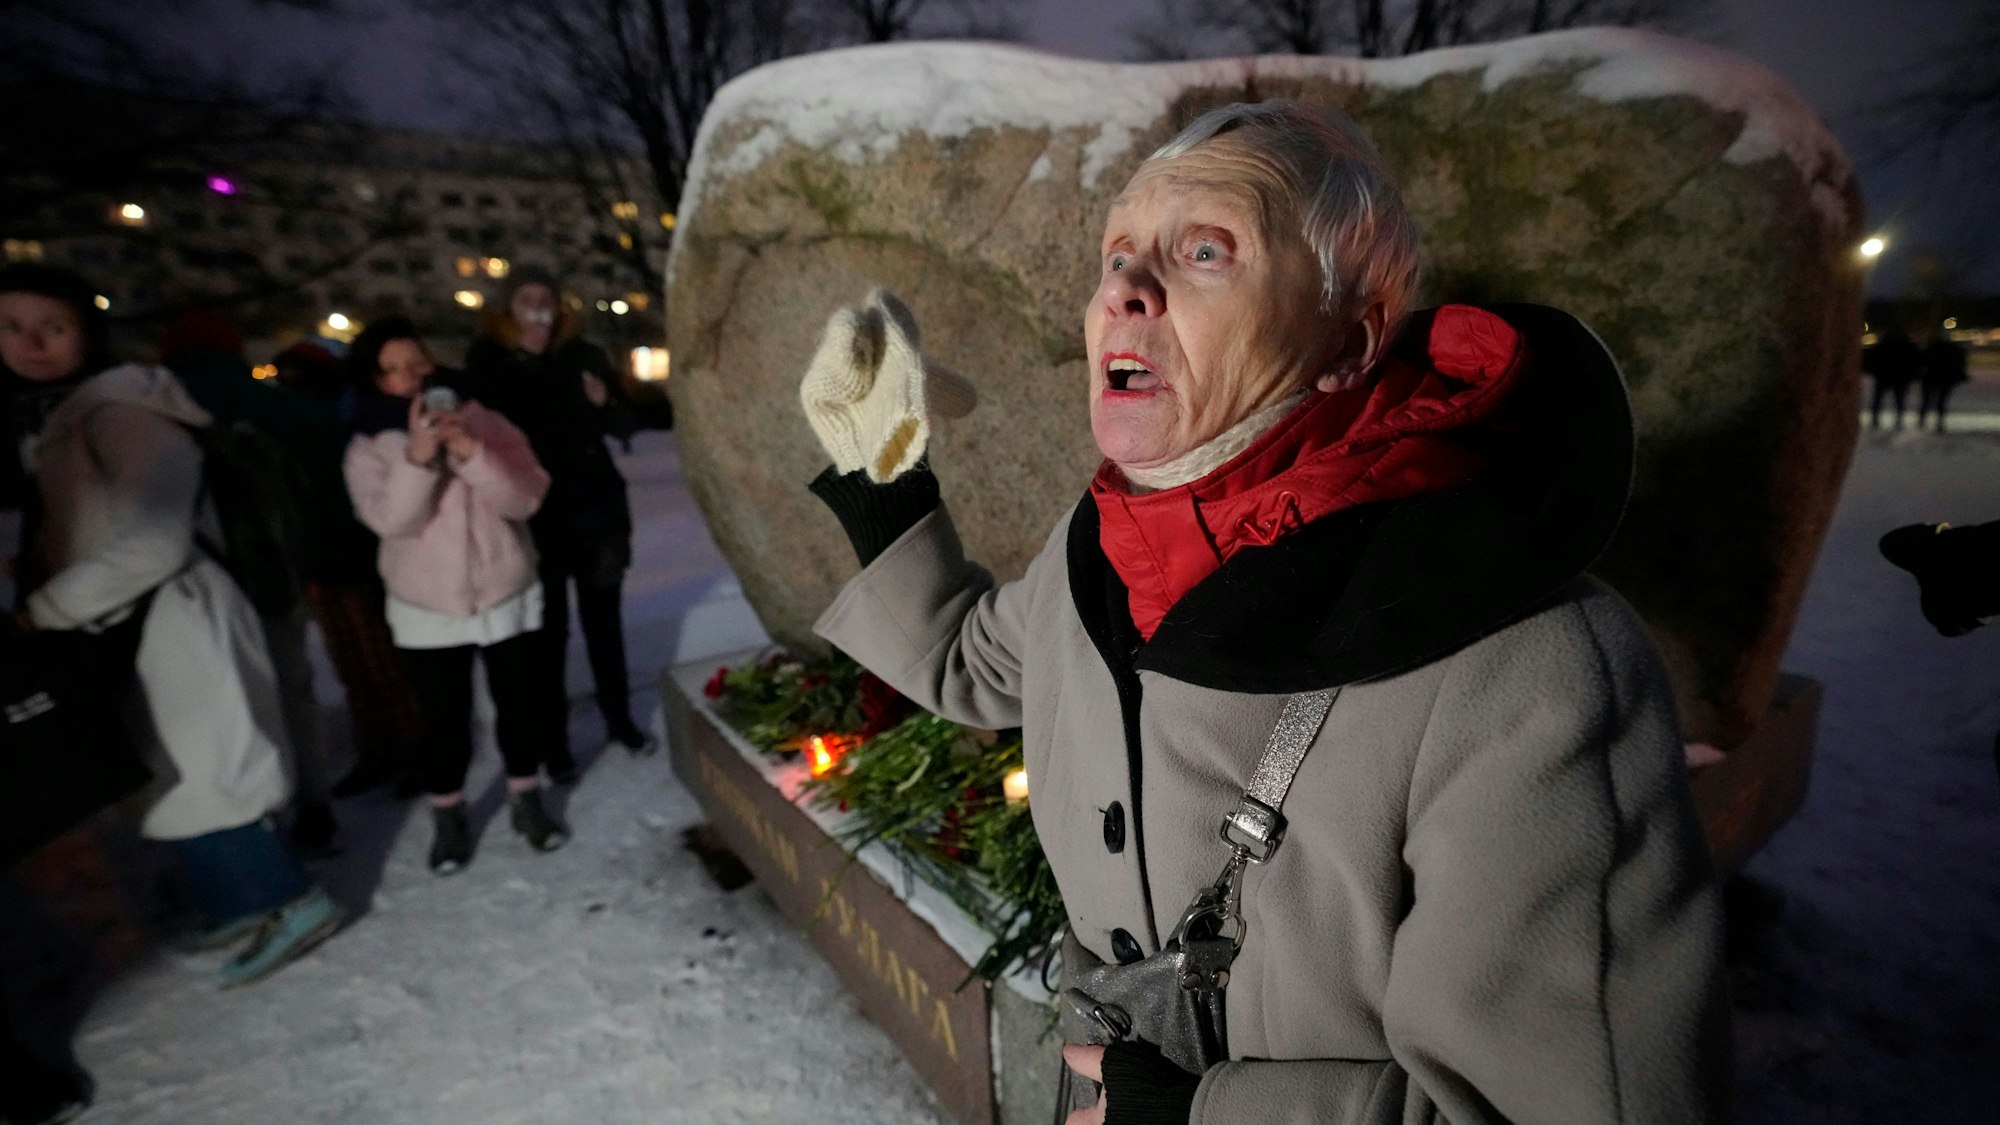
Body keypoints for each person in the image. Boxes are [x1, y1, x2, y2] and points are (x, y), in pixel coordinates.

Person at [800, 102, 1727, 1122]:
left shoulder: (1532, 673)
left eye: (1204, 251)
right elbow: (977, 666)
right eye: (1115, 255)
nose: (1122, 289)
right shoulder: (1096, 551)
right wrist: (876, 470)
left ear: (1349, 337)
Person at [0, 263, 342, 988]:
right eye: (12, 327)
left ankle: (284, 900)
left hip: (171, 618)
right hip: (128, 621)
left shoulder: (119, 412)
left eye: (52, 327)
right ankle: (240, 904)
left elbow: (155, 535)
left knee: (207, 772)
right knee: (175, 772)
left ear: (86, 335)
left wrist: (48, 606)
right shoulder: (63, 419)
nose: (32, 343)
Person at [341, 318, 568, 874]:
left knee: (520, 706)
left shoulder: (485, 419)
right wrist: (418, 459)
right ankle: (448, 814)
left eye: (417, 365)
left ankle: (526, 798)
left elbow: (527, 498)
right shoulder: (367, 447)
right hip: (427, 604)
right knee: (443, 718)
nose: (410, 379)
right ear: (375, 380)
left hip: (504, 591)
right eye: (393, 372)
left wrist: (472, 450)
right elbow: (391, 520)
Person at [157, 307, 338, 853]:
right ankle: (315, 805)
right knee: (292, 687)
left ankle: (259, 816)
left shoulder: (159, 405)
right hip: (273, 568)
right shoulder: (275, 405)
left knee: (224, 702)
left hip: (195, 582)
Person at [464, 269, 655, 776]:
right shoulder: (490, 360)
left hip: (596, 515)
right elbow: (490, 430)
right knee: (546, 638)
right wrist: (526, 360)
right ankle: (555, 744)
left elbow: (627, 425)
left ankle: (620, 720)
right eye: (527, 299)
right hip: (535, 518)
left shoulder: (584, 356)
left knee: (604, 629)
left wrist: (605, 403)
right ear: (509, 309)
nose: (538, 308)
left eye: (546, 299)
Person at [271, 337, 427, 798]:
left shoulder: (354, 420)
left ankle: (416, 750)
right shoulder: (295, 419)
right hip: (318, 558)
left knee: (383, 665)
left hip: (358, 559)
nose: (291, 386)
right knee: (354, 668)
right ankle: (379, 750)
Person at [1864, 321, 1921, 431]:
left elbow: (1872, 358)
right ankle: (1898, 419)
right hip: (1900, 375)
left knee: (1878, 399)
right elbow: (1915, 361)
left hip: (1883, 374)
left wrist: (1872, 370)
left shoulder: (1883, 345)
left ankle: (1875, 418)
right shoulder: (1908, 346)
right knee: (1899, 399)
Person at [1917, 326, 1969, 434]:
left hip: (1931, 377)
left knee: (1926, 400)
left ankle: (1922, 420)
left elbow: (1921, 361)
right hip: (1945, 378)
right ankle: (1939, 422)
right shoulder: (1952, 349)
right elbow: (1959, 362)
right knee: (1941, 401)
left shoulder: (1931, 348)